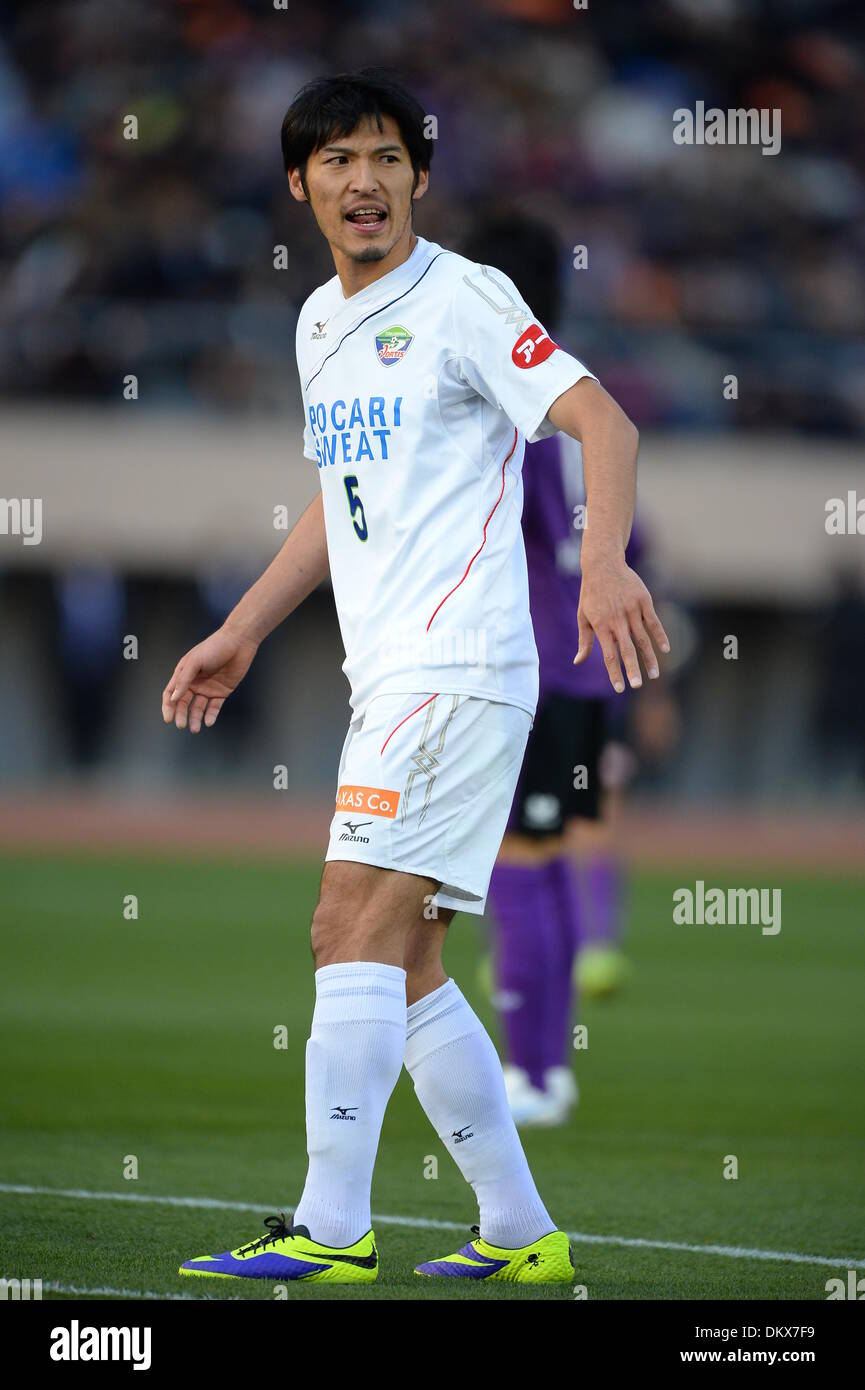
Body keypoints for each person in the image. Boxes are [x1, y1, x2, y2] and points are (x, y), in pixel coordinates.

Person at [161, 69, 668, 1285]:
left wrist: (601, 565)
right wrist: (241, 628)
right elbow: (339, 508)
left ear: (420, 177)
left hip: (457, 670)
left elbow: (605, 422)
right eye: (336, 160)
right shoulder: (317, 325)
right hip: (389, 676)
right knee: (408, 959)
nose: (364, 180)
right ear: (300, 185)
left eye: (386, 157)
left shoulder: (468, 298)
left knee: (345, 927)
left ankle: (330, 1228)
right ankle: (517, 1229)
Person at [462, 215, 644, 1127]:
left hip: (529, 667)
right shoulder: (582, 397)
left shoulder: (517, 402)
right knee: (554, 859)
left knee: (517, 866)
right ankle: (550, 1067)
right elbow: (623, 536)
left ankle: (531, 1073)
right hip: (583, 676)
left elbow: (507, 525)